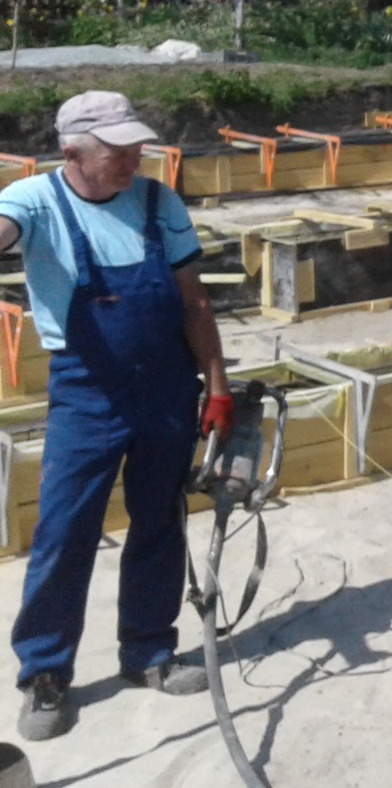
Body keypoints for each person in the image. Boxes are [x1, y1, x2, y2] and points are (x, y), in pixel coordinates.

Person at [0, 92, 233, 740]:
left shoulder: (159, 202)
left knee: (159, 522)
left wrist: (216, 387)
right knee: (64, 531)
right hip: (87, 393)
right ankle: (45, 674)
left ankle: (149, 651)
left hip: (167, 388)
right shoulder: (34, 201)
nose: (133, 161)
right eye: (117, 151)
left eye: (137, 148)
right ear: (72, 152)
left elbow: (194, 304)